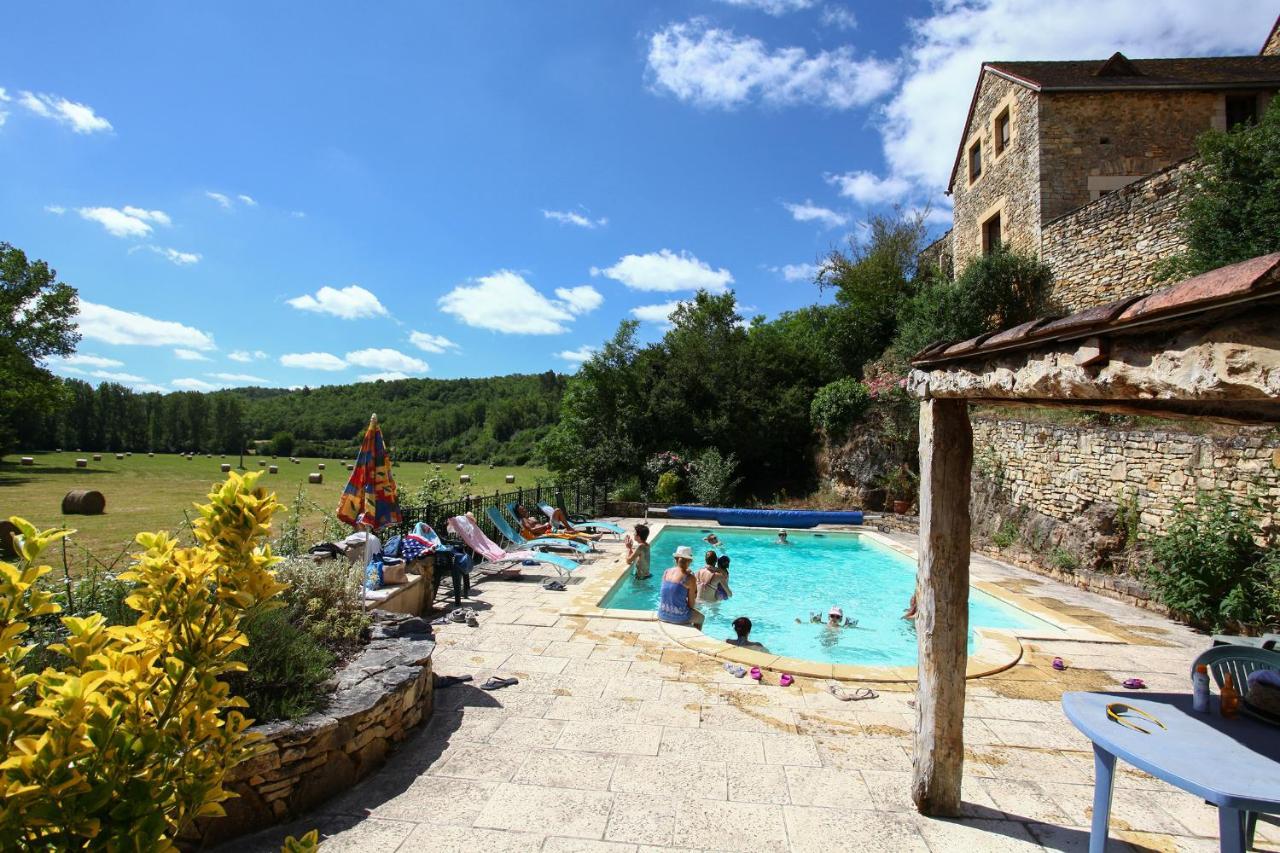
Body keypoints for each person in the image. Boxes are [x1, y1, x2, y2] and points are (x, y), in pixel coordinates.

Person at [657, 545, 704, 629]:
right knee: (701, 618)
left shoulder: (666, 572)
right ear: (689, 561)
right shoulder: (690, 578)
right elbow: (691, 605)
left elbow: (670, 592)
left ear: (676, 559)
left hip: (662, 614)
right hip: (679, 617)